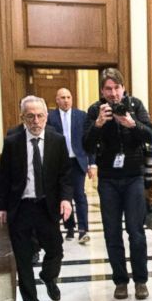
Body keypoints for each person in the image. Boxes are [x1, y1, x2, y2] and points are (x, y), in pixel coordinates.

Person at [0, 96, 73, 301]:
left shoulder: (57, 140)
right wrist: (0, 206)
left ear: (47, 117)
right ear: (23, 118)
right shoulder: (12, 141)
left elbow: (65, 175)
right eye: (30, 116)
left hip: (46, 206)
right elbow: (4, 176)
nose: (35, 121)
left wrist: (66, 199)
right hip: (20, 207)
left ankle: (48, 276)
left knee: (55, 249)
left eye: (40, 116)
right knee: (22, 255)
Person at [83, 68, 152, 300]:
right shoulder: (95, 110)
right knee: (112, 232)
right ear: (102, 91)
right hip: (108, 180)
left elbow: (151, 135)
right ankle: (120, 281)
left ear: (123, 88)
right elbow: (85, 145)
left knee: (136, 232)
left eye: (116, 88)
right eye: (108, 89)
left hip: (133, 177)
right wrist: (98, 125)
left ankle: (141, 281)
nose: (113, 94)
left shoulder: (135, 105)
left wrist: (132, 124)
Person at [48, 88, 95, 243]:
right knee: (63, 196)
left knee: (79, 195)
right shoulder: (50, 117)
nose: (66, 100)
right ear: (57, 100)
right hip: (59, 163)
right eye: (62, 97)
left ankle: (83, 230)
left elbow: (90, 141)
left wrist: (92, 163)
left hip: (77, 161)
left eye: (68, 97)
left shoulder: (81, 116)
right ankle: (69, 227)